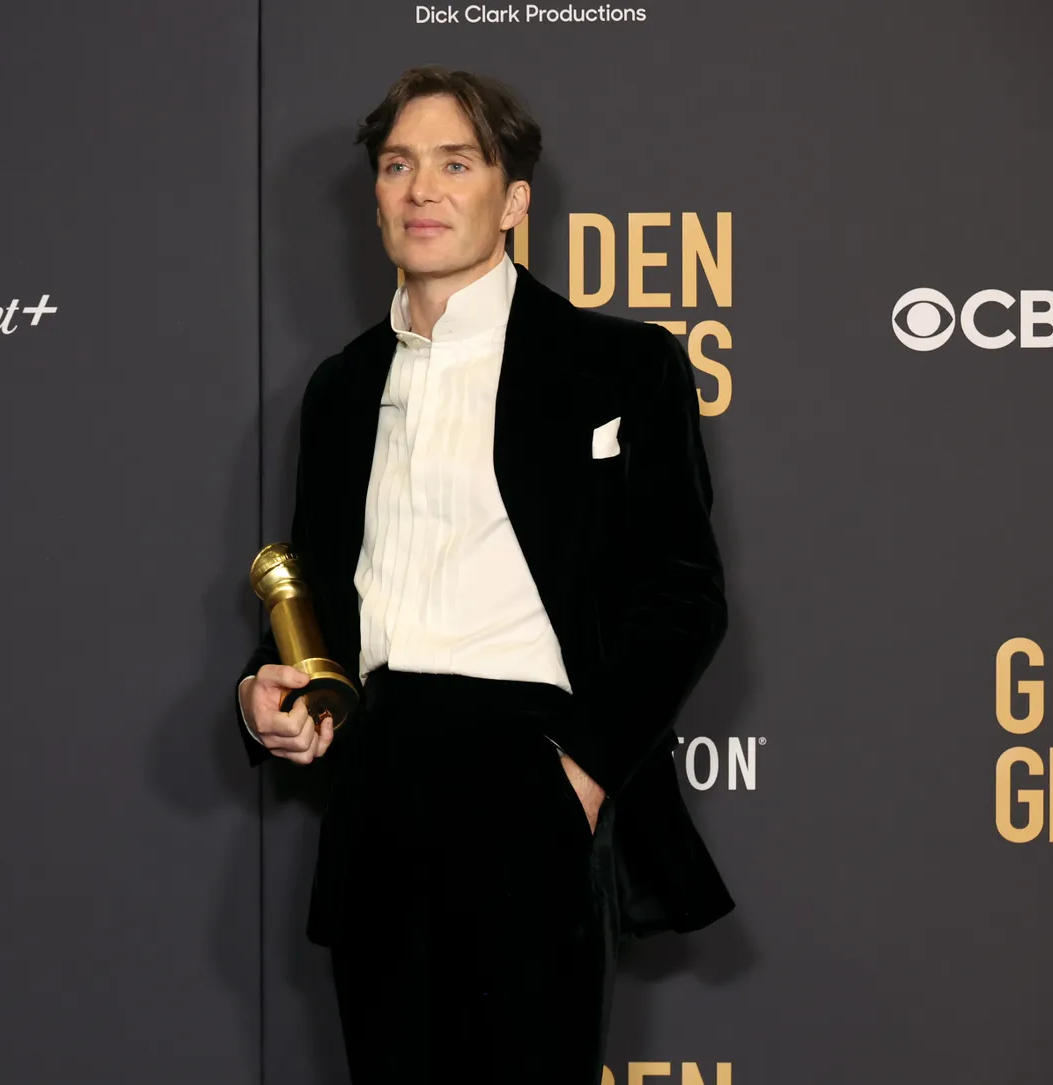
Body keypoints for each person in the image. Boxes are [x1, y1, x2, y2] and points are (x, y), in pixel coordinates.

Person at [234, 65, 733, 1084]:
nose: (421, 189)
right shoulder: (338, 388)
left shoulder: (622, 365)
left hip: (530, 771)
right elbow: (323, 587)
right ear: (374, 196)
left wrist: (581, 774)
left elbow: (683, 593)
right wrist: (268, 689)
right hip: (375, 773)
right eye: (397, 165)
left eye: (454, 163)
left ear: (510, 201)